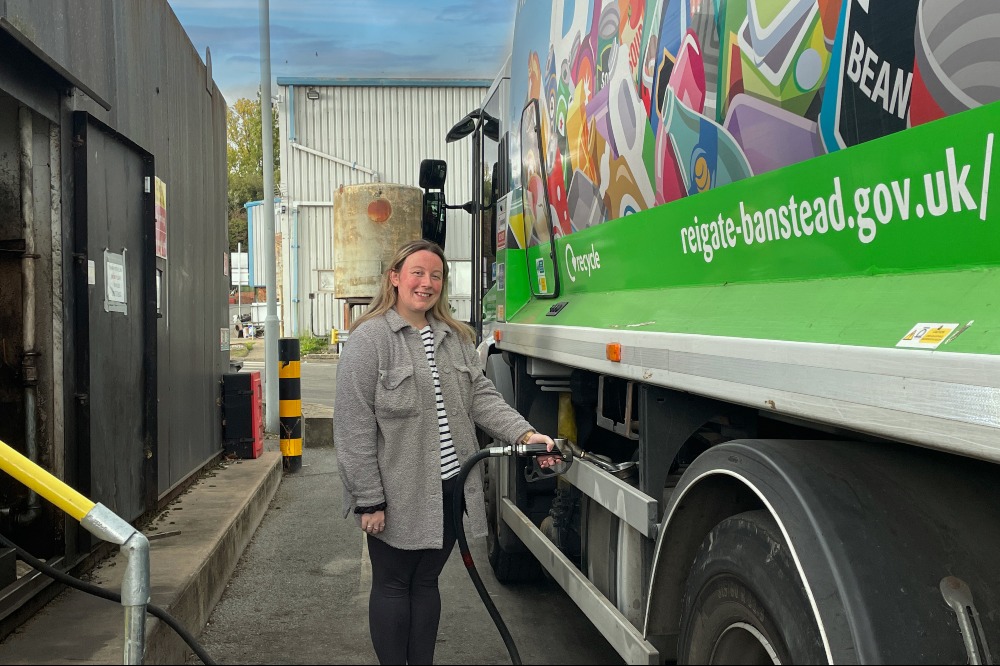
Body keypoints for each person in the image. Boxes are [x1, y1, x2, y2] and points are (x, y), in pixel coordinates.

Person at [334, 239, 559, 665]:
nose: (427, 282)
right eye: (417, 272)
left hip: (450, 487)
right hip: (396, 491)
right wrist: (369, 499)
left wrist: (526, 434)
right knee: (395, 584)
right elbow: (353, 426)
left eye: (436, 275)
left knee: (426, 582)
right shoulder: (370, 340)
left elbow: (483, 399)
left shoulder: (454, 339)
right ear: (395, 278)